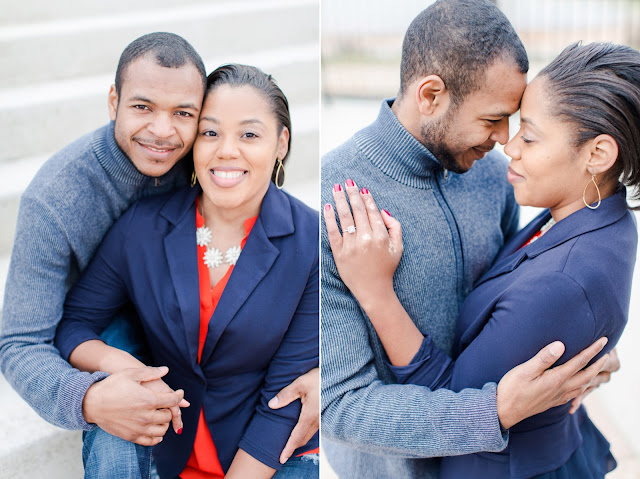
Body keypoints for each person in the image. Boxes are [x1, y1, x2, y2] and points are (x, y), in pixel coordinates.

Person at [320, 2, 618, 478]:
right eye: (493, 119)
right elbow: (339, 407)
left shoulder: (494, 177)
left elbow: (516, 299)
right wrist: (493, 411)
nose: (504, 138)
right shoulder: (333, 199)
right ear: (431, 95)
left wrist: (584, 345)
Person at [0, 33, 318, 478]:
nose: (163, 131)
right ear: (114, 102)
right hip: (124, 337)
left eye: (184, 115)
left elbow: (287, 387)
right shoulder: (63, 201)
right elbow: (22, 343)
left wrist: (330, 370)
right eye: (142, 107)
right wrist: (91, 396)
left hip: (250, 422)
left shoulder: (298, 232)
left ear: (281, 142)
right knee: (119, 398)